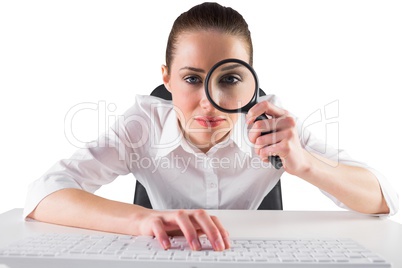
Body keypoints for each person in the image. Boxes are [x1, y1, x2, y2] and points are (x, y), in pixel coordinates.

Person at [24, 2, 398, 252]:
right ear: (167, 80)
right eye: (191, 78)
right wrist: (145, 220)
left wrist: (304, 162)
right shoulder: (142, 126)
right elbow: (44, 194)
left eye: (230, 79)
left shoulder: (273, 126)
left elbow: (381, 201)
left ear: (251, 82)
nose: (208, 99)